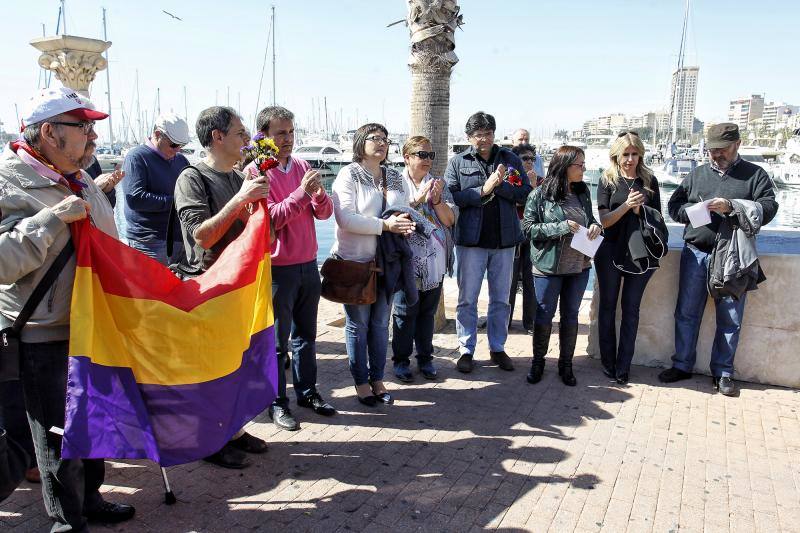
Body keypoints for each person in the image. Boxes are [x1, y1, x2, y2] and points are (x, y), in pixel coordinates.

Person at [0, 87, 135, 530]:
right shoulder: (9, 180)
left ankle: (90, 499)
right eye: (83, 127)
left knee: (93, 420)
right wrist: (51, 219)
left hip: (92, 322)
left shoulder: (79, 176)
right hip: (43, 330)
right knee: (56, 435)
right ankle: (66, 522)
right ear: (49, 133)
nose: (93, 135)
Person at [174, 106, 270, 467]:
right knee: (208, 368)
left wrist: (256, 206)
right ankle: (208, 441)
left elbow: (248, 229)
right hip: (206, 286)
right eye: (241, 133)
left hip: (236, 286)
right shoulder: (191, 178)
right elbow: (200, 235)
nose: (248, 140)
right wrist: (241, 200)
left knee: (235, 363)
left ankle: (234, 430)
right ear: (217, 137)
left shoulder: (235, 177)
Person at [659, 123, 778, 396]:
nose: (716, 155)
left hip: (733, 257)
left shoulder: (755, 175)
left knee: (730, 317)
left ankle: (723, 372)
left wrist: (733, 207)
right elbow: (674, 206)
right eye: (712, 150)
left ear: (737, 144)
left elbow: (769, 207)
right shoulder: (697, 174)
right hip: (696, 253)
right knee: (686, 312)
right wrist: (693, 212)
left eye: (721, 150)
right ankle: (682, 365)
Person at [251, 106, 336, 431]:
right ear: (264, 137)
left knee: (307, 336)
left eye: (290, 132)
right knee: (277, 344)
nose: (287, 139)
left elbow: (324, 213)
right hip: (278, 270)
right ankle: (277, 404)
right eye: (280, 133)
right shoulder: (258, 171)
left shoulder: (301, 164)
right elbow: (271, 219)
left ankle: (308, 392)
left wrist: (316, 195)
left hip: (307, 265)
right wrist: (303, 192)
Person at [331, 123, 414, 406]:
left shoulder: (394, 175)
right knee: (359, 325)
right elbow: (345, 219)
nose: (381, 143)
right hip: (356, 263)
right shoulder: (349, 174)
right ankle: (360, 382)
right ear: (360, 142)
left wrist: (405, 225)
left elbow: (403, 211)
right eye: (374, 138)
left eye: (385, 139)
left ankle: (378, 378)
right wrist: (386, 226)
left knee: (380, 324)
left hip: (388, 263)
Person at [445, 112, 532, 373]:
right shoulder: (458, 163)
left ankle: (497, 347)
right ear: (469, 137)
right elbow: (453, 197)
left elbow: (525, 192)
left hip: (504, 241)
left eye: (488, 133)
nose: (484, 139)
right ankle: (466, 349)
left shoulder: (510, 159)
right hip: (471, 241)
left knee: (501, 300)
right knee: (467, 298)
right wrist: (483, 190)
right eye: (478, 134)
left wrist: (500, 186)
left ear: (494, 134)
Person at [522, 146, 602, 386]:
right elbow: (528, 229)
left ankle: (565, 365)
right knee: (545, 314)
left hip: (579, 265)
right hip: (548, 267)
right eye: (580, 164)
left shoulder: (583, 191)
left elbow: (588, 219)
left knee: (571, 316)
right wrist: (561, 227)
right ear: (565, 166)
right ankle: (538, 363)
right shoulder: (539, 194)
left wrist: (596, 225)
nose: (584, 169)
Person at [595, 132, 664, 385]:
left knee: (631, 311)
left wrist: (640, 209)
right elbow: (604, 220)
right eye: (626, 154)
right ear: (617, 155)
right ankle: (608, 362)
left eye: (635, 154)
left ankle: (623, 366)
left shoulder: (650, 180)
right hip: (610, 251)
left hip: (640, 255)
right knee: (607, 307)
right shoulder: (607, 180)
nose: (630, 159)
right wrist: (626, 207)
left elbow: (659, 219)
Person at [392, 136, 456, 383]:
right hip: (405, 260)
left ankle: (426, 358)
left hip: (435, 261)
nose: (427, 159)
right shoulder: (395, 183)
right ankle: (400, 361)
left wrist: (437, 200)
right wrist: (417, 200)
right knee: (404, 312)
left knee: (427, 313)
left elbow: (450, 220)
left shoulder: (439, 184)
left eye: (430, 155)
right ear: (407, 157)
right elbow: (390, 214)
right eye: (422, 154)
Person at [122, 113, 190, 265]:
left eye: (181, 146)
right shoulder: (136, 157)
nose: (178, 149)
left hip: (179, 240)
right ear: (157, 134)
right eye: (174, 144)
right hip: (149, 242)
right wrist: (176, 203)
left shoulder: (181, 160)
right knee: (152, 289)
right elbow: (135, 198)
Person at [508, 143, 541, 334]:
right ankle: (506, 321)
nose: (529, 162)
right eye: (525, 158)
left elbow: (542, 206)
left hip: (533, 237)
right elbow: (516, 200)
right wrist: (530, 188)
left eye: (532, 159)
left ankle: (531, 322)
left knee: (531, 281)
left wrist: (534, 186)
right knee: (509, 282)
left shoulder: (541, 180)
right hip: (513, 235)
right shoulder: (510, 179)